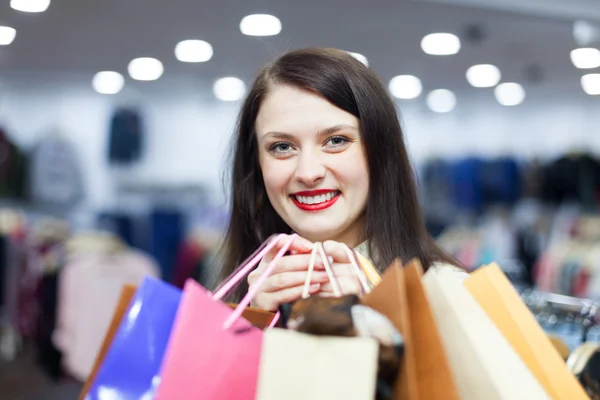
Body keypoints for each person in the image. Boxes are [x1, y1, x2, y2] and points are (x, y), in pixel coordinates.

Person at [218, 47, 465, 311]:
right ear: (256, 165)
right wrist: (256, 329)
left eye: (336, 141)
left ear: (380, 152)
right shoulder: (233, 306)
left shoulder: (454, 297)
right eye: (281, 146)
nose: (308, 173)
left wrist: (383, 323)